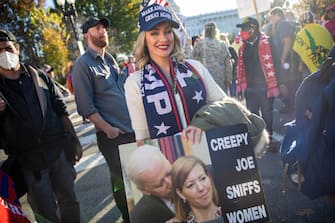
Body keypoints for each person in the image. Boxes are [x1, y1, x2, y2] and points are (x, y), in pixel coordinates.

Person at [0, 29, 82, 222]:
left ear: (17, 49)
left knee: (70, 201)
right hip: (28, 163)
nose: (4, 53)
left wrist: (75, 140)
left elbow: (60, 109)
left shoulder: (38, 76)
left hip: (57, 153)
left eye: (8, 48)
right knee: (45, 213)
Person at [124, 4, 227, 145]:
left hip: (211, 151)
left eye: (167, 31)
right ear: (144, 40)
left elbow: (225, 104)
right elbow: (143, 139)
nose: (164, 39)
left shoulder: (195, 67)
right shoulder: (134, 83)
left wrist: (203, 123)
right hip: (169, 163)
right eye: (154, 33)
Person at [71, 17, 135, 222]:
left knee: (138, 182)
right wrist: (109, 130)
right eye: (96, 28)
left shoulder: (109, 59)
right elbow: (85, 107)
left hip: (131, 132)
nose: (102, 31)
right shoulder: (82, 65)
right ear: (85, 35)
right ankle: (128, 218)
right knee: (122, 186)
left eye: (104, 28)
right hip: (113, 137)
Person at [236, 17, 280, 152]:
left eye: (244, 28)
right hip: (250, 88)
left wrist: (280, 83)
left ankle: (269, 139)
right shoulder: (243, 46)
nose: (242, 31)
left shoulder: (268, 42)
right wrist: (240, 86)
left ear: (253, 28)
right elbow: (240, 67)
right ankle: (259, 140)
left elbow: (276, 62)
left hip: (265, 87)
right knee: (253, 115)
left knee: (267, 114)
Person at [126, 144, 175, 223]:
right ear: (144, 190)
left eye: (169, 173)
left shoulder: (195, 180)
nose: (171, 183)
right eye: (160, 184)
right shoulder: (139, 218)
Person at [268, 6, 302, 114]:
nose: (270, 18)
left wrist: (282, 60)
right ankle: (291, 105)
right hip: (289, 60)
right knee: (289, 83)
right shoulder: (280, 24)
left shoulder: (283, 24)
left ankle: (291, 106)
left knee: (289, 83)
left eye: (272, 15)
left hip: (288, 61)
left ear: (278, 14)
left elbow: (287, 42)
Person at [171, 156, 222, 222]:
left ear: (209, 178)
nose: (200, 188)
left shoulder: (233, 213)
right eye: (191, 185)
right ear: (180, 194)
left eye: (203, 178)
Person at [191, 22, 233, 93]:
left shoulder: (200, 44)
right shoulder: (222, 44)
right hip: (220, 81)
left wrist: (195, 79)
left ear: (205, 31)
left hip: (206, 81)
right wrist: (228, 79)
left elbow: (193, 62)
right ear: (216, 31)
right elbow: (228, 64)